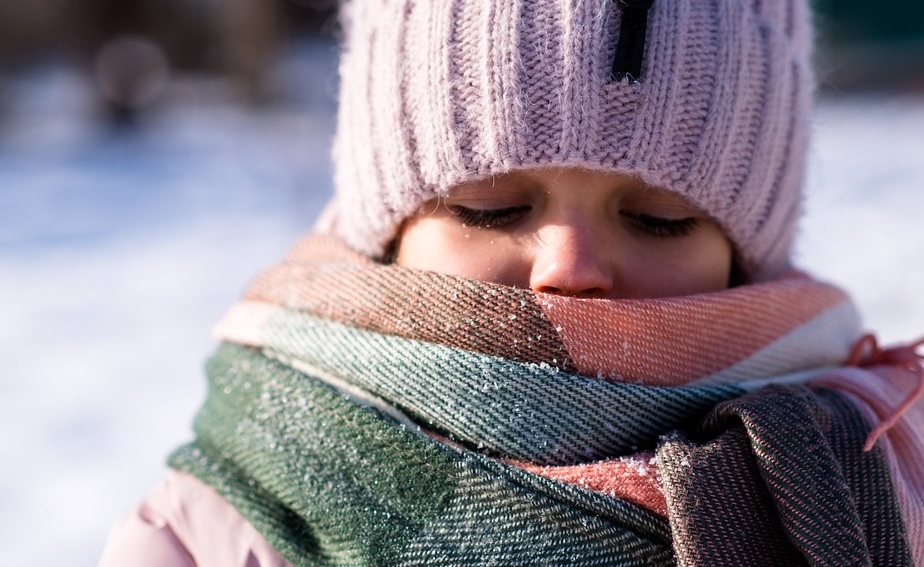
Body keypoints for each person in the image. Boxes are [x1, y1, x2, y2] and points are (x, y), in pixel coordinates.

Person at [99, 0, 924, 565]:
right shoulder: (212, 529)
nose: (569, 267)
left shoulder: (879, 478)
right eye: (489, 207)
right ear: (387, 233)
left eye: (660, 217)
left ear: (749, 256)